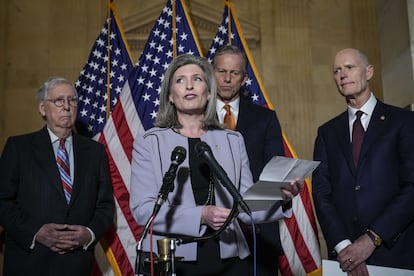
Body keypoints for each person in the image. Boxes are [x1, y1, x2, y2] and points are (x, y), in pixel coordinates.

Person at [129, 54, 303, 276]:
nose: (190, 85)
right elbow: (144, 211)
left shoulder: (232, 139)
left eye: (198, 79)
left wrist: (282, 197)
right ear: (170, 95)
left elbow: (245, 207)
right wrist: (201, 215)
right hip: (172, 258)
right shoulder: (149, 141)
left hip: (229, 258)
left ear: (209, 92)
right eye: (180, 80)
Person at [312, 48, 414, 275]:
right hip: (345, 261)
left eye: (349, 67)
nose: (342, 74)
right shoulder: (327, 133)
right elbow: (321, 193)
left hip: (395, 254)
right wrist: (344, 247)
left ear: (369, 72)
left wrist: (372, 238)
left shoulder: (404, 122)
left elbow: (412, 186)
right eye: (337, 70)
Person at [0, 77, 115, 275]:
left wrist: (88, 234)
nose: (67, 107)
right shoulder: (18, 148)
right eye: (59, 101)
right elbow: (3, 201)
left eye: (72, 100)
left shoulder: (95, 152)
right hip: (29, 262)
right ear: (43, 108)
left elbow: (105, 205)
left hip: (77, 264)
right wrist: (36, 233)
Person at [213, 45, 285, 275]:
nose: (226, 79)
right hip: (208, 237)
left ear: (244, 78)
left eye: (234, 73)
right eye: (221, 71)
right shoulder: (194, 117)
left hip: (257, 236)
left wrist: (247, 215)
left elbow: (274, 175)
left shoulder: (265, 118)